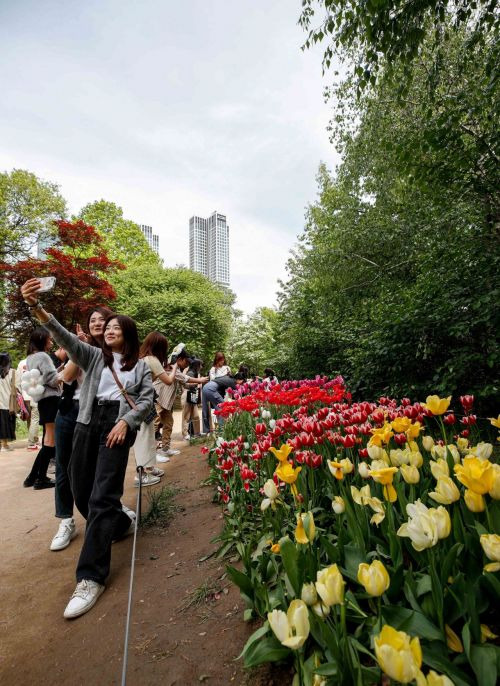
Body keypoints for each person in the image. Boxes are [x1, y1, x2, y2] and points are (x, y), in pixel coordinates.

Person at [21, 278, 154, 619]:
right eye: (106, 327)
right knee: (81, 491)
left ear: (128, 333)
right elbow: (64, 336)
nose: (108, 330)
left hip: (116, 425)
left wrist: (126, 422)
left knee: (102, 497)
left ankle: (90, 577)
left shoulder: (138, 367)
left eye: (115, 327)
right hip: (85, 421)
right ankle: (121, 522)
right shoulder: (94, 356)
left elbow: (147, 402)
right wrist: (37, 307)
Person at [50, 306, 114, 552]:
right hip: (70, 410)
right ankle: (66, 520)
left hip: (99, 412)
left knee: (98, 467)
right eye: (93, 320)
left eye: (103, 320)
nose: (97, 323)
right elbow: (65, 378)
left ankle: (106, 513)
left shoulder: (116, 351)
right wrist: (79, 350)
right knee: (64, 466)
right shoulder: (80, 348)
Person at [135, 331, 179, 483]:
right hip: (141, 402)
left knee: (148, 436)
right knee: (143, 438)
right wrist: (174, 368)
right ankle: (141, 475)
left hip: (144, 400)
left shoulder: (142, 358)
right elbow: (168, 381)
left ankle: (149, 468)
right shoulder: (152, 359)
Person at [22, 327, 61, 489]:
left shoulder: (30, 358)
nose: (51, 342)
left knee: (48, 439)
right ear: (42, 340)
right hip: (51, 399)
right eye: (49, 339)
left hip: (43, 400)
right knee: (50, 440)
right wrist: (62, 375)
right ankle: (38, 479)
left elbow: (40, 378)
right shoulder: (43, 356)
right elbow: (52, 380)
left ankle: (34, 477)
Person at [155, 347, 208, 459]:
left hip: (167, 401)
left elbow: (183, 383)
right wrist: (200, 380)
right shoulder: (170, 367)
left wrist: (199, 382)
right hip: (158, 399)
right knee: (154, 426)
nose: (187, 365)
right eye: (186, 362)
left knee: (168, 424)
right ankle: (152, 454)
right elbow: (183, 378)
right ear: (180, 359)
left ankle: (165, 449)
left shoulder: (176, 368)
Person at [16, 358, 40, 450]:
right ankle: (31, 443)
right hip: (35, 395)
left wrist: (21, 393)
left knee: (29, 418)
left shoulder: (21, 363)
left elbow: (17, 382)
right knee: (35, 418)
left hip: (25, 395)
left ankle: (34, 439)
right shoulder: (39, 360)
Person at [181, 357, 202, 439]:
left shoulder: (195, 373)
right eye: (200, 365)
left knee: (196, 416)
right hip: (187, 393)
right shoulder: (190, 373)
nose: (201, 367)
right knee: (186, 416)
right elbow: (185, 385)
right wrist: (197, 382)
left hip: (193, 394)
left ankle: (197, 433)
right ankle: (185, 434)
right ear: (196, 365)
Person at [0, 353, 17, 451]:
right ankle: (4, 445)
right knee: (5, 424)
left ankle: (3, 444)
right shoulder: (12, 372)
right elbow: (17, 386)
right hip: (7, 402)